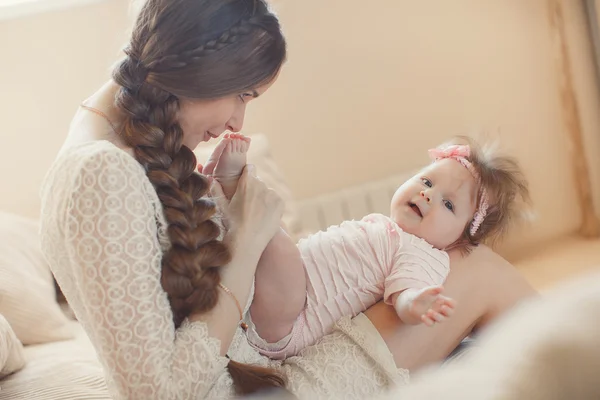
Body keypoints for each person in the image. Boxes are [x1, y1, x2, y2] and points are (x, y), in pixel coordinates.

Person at [38, 1, 537, 399]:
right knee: (479, 271)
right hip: (257, 382)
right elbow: (163, 392)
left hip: (256, 362)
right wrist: (247, 243)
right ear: (201, 66)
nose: (237, 121)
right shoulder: (99, 174)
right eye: (243, 94)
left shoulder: (109, 146)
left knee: (469, 299)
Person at [206, 134, 530, 359]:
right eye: (427, 182)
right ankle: (223, 201)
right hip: (275, 296)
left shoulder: (422, 254)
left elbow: (406, 291)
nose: (428, 194)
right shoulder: (383, 226)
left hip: (293, 321)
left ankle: (233, 186)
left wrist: (416, 303)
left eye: (448, 204)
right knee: (262, 245)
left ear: (459, 239)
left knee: (274, 236)